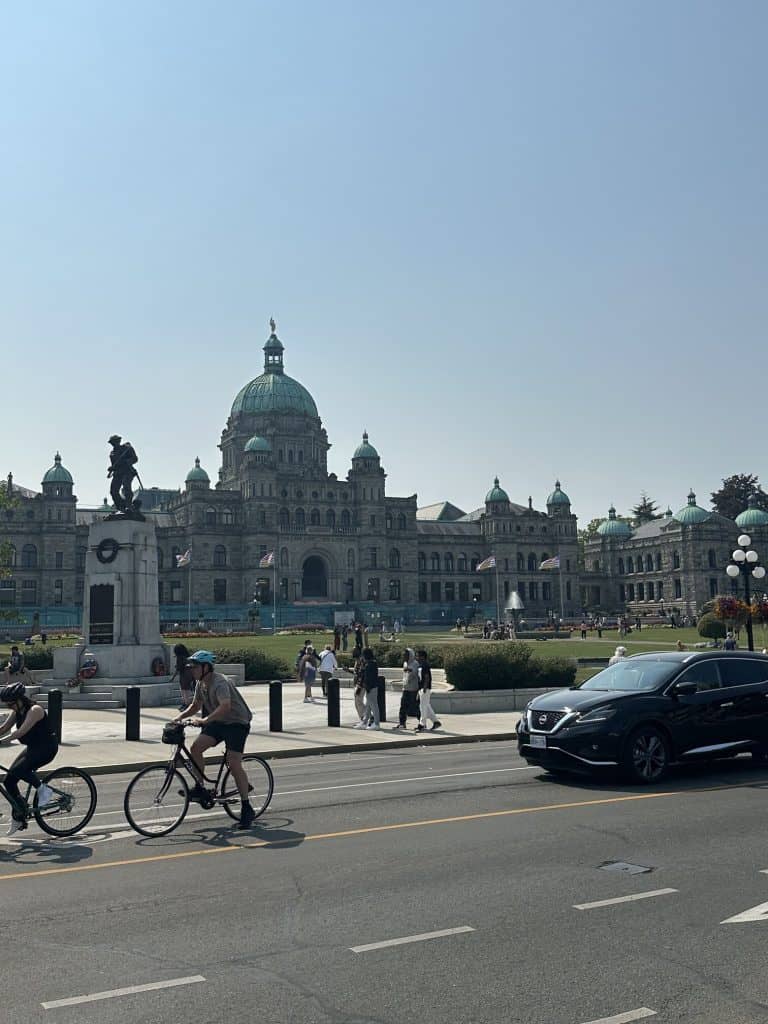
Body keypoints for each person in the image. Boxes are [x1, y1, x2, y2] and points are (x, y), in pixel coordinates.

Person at [174, 650, 255, 830]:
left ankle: (246, 807)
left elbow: (225, 706)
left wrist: (204, 720)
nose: (191, 670)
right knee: (196, 748)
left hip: (236, 723)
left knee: (233, 763)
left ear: (206, 667)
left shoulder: (220, 683)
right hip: (219, 721)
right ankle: (200, 787)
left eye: (194, 667)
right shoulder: (200, 683)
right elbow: (195, 706)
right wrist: (178, 718)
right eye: (191, 667)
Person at [0, 682, 57, 835]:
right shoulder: (16, 710)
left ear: (19, 700)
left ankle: (44, 790)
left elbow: (20, 732)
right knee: (9, 780)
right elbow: (3, 728)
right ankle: (19, 815)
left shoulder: (35, 710)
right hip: (32, 748)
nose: (10, 707)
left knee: (21, 770)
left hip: (46, 748)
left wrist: (3, 741)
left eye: (11, 704)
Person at [394, 647, 421, 730]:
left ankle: (422, 723)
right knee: (403, 707)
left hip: (413, 689)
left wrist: (409, 670)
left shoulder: (415, 663)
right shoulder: (405, 663)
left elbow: (414, 673)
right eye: (404, 655)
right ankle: (402, 723)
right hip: (405, 688)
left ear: (410, 655)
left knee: (415, 707)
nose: (404, 656)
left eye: (406, 655)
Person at [416, 649, 441, 732]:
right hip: (421, 688)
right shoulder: (420, 665)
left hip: (425, 689)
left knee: (422, 707)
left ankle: (422, 725)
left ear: (423, 657)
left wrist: (424, 688)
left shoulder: (425, 665)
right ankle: (436, 722)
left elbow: (427, 677)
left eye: (418, 656)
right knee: (426, 706)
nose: (417, 657)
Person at [170, 643, 194, 710]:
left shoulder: (180, 658)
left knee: (184, 690)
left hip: (184, 675)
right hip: (189, 674)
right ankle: (186, 703)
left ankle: (186, 704)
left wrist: (173, 677)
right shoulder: (187, 656)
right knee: (187, 689)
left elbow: (178, 668)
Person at [362, 647, 380, 730]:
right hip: (371, 687)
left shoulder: (370, 665)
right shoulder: (372, 663)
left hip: (371, 688)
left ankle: (376, 724)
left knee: (374, 706)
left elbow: (370, 677)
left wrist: (368, 687)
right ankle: (364, 722)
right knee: (368, 706)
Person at [351, 646, 367, 727]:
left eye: (354, 650)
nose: (352, 652)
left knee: (358, 702)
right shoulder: (357, 660)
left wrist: (359, 686)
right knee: (357, 703)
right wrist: (348, 670)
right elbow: (356, 673)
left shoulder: (361, 660)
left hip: (361, 684)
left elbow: (362, 673)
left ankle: (367, 718)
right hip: (357, 683)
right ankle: (363, 719)